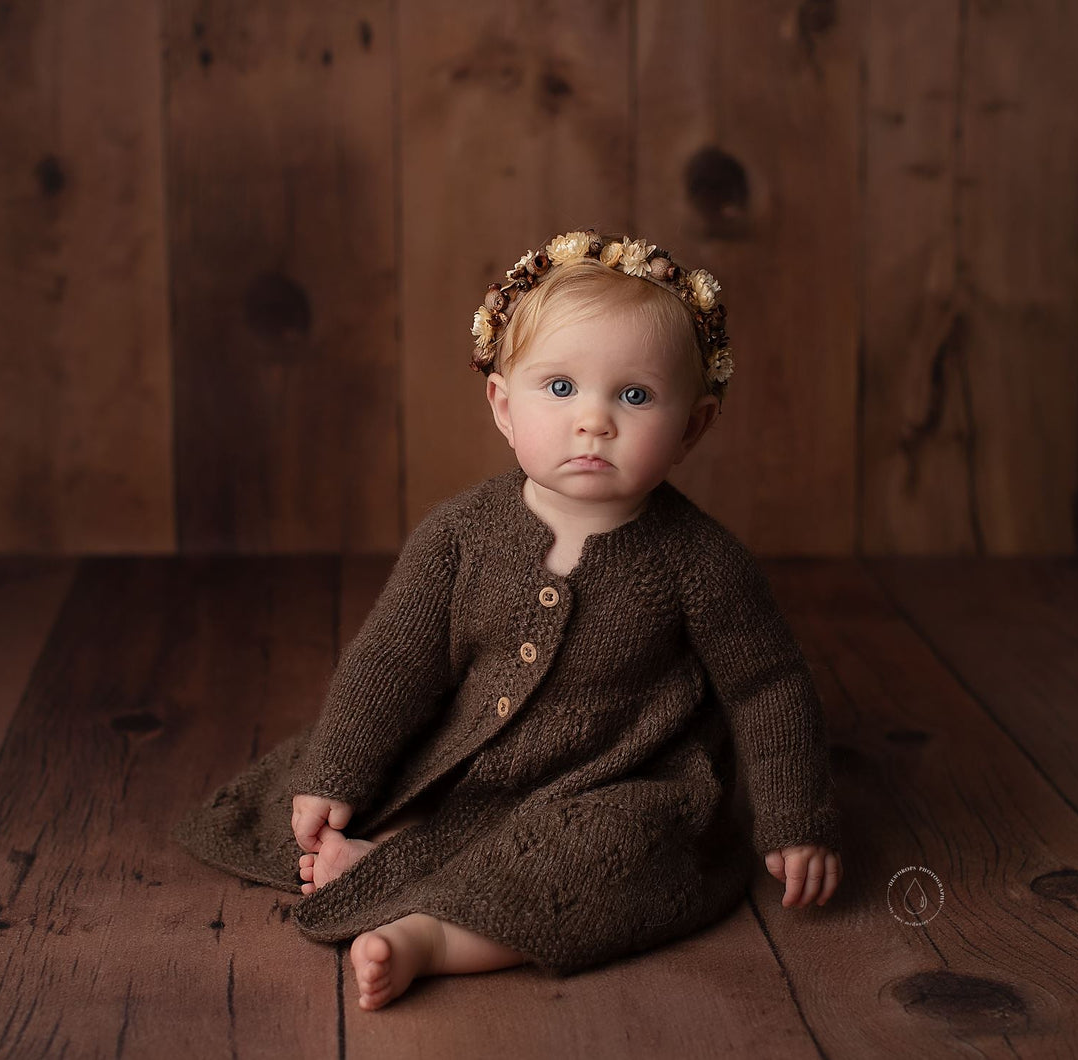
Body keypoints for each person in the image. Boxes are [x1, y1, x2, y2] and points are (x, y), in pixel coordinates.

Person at [174, 229, 843, 1012]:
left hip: (615, 778)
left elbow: (767, 687)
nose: (593, 421)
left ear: (692, 425)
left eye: (634, 395)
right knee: (355, 768)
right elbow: (391, 662)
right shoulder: (462, 532)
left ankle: (435, 937)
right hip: (469, 755)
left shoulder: (700, 561)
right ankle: (383, 848)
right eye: (559, 388)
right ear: (501, 402)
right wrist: (337, 772)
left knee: (617, 854)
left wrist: (795, 816)